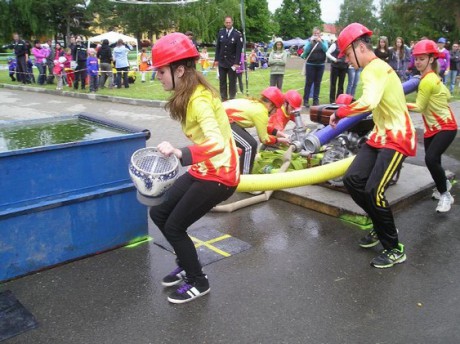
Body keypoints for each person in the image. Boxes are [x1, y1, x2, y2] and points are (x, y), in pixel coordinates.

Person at [149, 32, 240, 304]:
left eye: (161, 71)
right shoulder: (188, 93)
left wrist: (180, 152)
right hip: (204, 169)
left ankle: (199, 282)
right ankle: (187, 264)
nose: (158, 76)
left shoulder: (199, 99)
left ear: (179, 70)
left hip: (221, 174)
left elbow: (217, 143)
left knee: (175, 226)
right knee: (159, 213)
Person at [329, 23, 416, 269]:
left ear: (360, 47)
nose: (346, 60)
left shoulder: (372, 68)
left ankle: (394, 248)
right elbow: (372, 101)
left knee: (373, 191)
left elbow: (368, 102)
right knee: (352, 180)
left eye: (347, 54)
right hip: (380, 135)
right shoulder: (375, 68)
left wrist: (341, 112)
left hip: (398, 137)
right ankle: (381, 225)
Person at [406, 40, 458, 212]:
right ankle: (444, 184)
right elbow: (448, 95)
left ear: (431, 59)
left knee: (430, 159)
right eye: (417, 58)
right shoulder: (431, 77)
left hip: (445, 127)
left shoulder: (428, 80)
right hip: (432, 128)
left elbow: (419, 107)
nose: (418, 62)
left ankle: (445, 196)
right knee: (434, 160)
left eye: (422, 58)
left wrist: (399, 103)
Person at [224, 86, 289, 174]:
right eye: (276, 109)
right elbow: (264, 139)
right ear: (271, 105)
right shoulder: (261, 111)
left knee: (249, 143)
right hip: (221, 122)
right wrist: (280, 140)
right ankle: (245, 178)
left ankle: (238, 170)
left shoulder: (257, 104)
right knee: (249, 146)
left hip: (222, 119)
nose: (276, 112)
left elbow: (263, 126)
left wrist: (280, 134)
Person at [214, 16, 243, 101]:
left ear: (232, 22)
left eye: (229, 22)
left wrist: (237, 62)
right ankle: (224, 98)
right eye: (226, 22)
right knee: (222, 81)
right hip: (222, 62)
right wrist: (216, 59)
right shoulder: (221, 33)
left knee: (232, 82)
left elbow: (238, 50)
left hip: (232, 62)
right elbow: (218, 47)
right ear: (224, 23)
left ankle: (232, 98)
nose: (228, 24)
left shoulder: (237, 34)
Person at [301, 27, 329, 107]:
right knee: (308, 83)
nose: (316, 35)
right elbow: (305, 50)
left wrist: (321, 42)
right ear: (313, 34)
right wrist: (310, 42)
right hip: (310, 64)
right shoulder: (309, 42)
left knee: (317, 83)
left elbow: (326, 50)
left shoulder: (324, 42)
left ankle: (315, 100)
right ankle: (306, 100)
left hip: (320, 65)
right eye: (315, 34)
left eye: (318, 34)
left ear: (320, 35)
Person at [326, 39, 349, 103]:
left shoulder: (347, 45)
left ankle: (339, 100)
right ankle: (332, 100)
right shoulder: (335, 44)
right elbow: (327, 53)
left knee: (341, 85)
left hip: (343, 67)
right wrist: (334, 59)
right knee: (333, 84)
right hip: (335, 67)